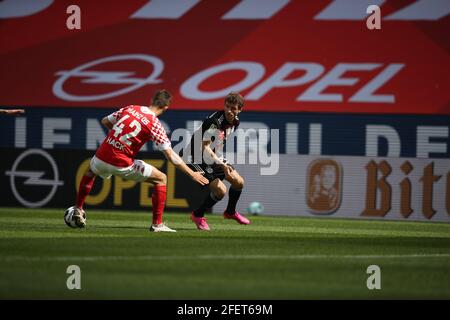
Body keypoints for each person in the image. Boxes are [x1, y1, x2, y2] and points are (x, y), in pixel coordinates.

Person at [73, 90, 209, 232]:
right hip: (122, 163)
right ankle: (157, 224)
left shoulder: (131, 108)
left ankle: (78, 207)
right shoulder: (154, 123)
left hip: (101, 156)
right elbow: (171, 155)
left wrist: (120, 138)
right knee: (161, 178)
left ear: (152, 99)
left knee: (90, 172)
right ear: (166, 107)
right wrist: (191, 173)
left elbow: (105, 121)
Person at [187, 92, 251, 231]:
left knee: (238, 182)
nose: (229, 110)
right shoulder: (214, 122)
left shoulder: (235, 122)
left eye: (233, 108)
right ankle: (197, 215)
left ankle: (230, 212)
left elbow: (218, 142)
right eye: (227, 106)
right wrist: (221, 163)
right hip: (194, 156)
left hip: (211, 156)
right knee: (221, 191)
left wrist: (219, 160)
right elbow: (204, 146)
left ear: (240, 109)